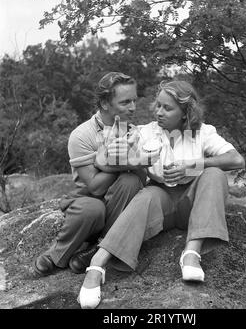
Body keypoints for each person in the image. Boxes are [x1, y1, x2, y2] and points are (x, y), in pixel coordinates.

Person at [77, 79, 245, 309]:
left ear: (185, 112)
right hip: (161, 201)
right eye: (158, 106)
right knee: (146, 196)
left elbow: (236, 160)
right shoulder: (145, 132)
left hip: (194, 204)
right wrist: (135, 158)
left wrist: (193, 166)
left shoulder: (204, 132)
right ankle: (96, 266)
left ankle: (191, 254)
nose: (159, 112)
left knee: (214, 174)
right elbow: (101, 159)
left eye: (167, 108)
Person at [33, 72, 159, 277]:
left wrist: (119, 162)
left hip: (121, 204)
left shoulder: (134, 132)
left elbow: (141, 175)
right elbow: (95, 186)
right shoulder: (82, 135)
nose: (133, 108)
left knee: (130, 181)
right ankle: (57, 254)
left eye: (134, 101)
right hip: (88, 199)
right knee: (93, 208)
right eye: (126, 102)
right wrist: (122, 162)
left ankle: (99, 248)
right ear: (105, 103)